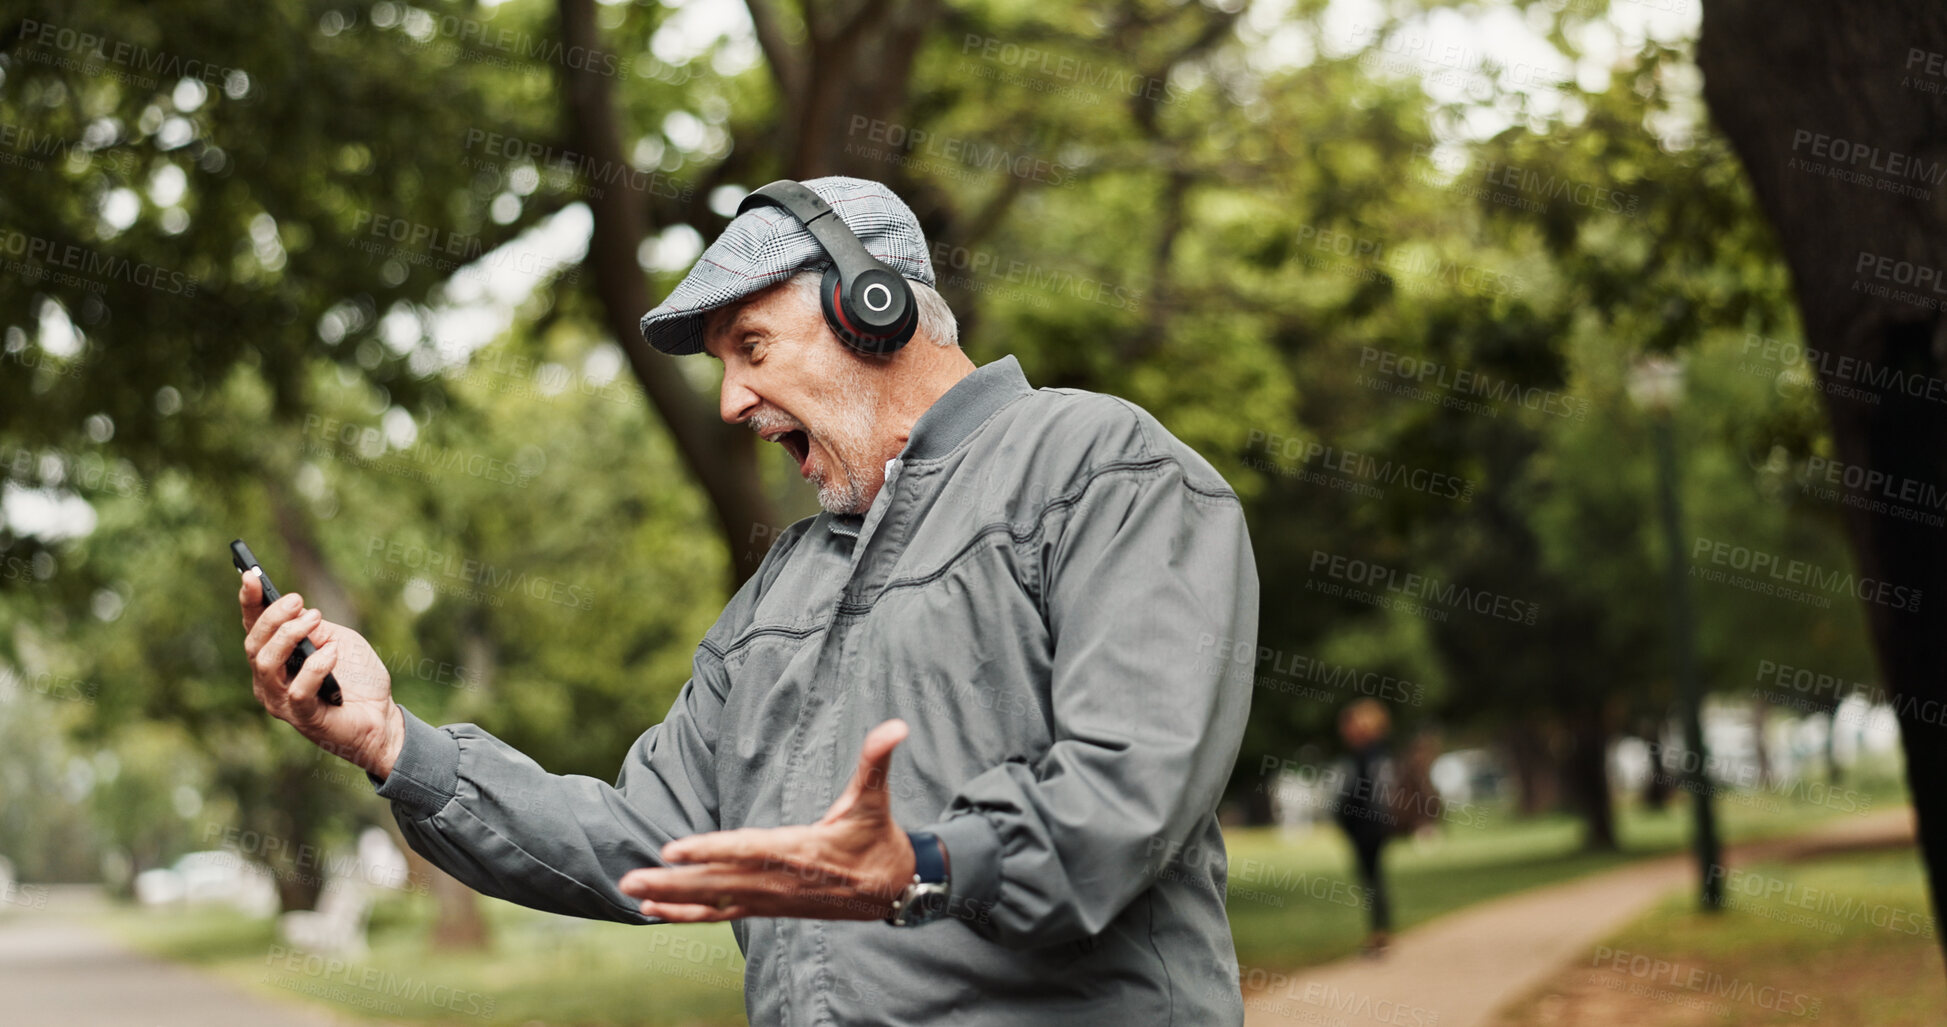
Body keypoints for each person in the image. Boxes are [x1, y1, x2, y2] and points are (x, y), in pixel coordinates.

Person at [238, 176, 1260, 1024]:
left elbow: (1129, 788)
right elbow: (649, 838)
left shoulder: (1102, 469)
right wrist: (394, 745)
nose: (729, 402)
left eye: (752, 347)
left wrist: (925, 865)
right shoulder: (787, 581)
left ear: (873, 308)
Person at [1332, 698, 1397, 957]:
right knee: (1372, 880)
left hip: (1369, 826)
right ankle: (1379, 931)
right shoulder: (1366, 754)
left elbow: (1372, 793)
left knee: (1372, 879)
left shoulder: (1372, 755)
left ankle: (1379, 934)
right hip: (1363, 826)